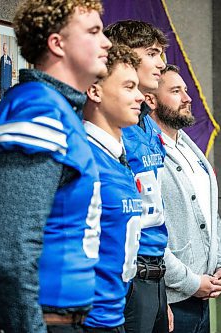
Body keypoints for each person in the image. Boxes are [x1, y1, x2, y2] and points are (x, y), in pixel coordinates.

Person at [0, 1, 111, 332]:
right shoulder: (39, 109)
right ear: (57, 44)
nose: (106, 42)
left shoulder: (57, 107)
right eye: (93, 31)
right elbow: (7, 244)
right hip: (40, 317)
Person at [145, 64, 221, 333]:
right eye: (175, 91)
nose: (187, 97)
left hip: (204, 297)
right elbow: (148, 230)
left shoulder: (189, 148)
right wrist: (191, 283)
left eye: (185, 89)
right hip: (171, 300)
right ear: (151, 100)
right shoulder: (146, 151)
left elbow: (210, 214)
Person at [104, 20, 171, 333]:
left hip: (155, 272)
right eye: (152, 53)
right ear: (125, 57)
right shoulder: (110, 122)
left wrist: (162, 294)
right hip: (129, 272)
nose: (161, 63)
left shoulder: (146, 123)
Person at [81, 43, 145, 332]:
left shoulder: (119, 158)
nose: (140, 96)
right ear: (95, 91)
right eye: (129, 87)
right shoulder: (80, 157)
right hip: (85, 319)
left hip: (117, 311)